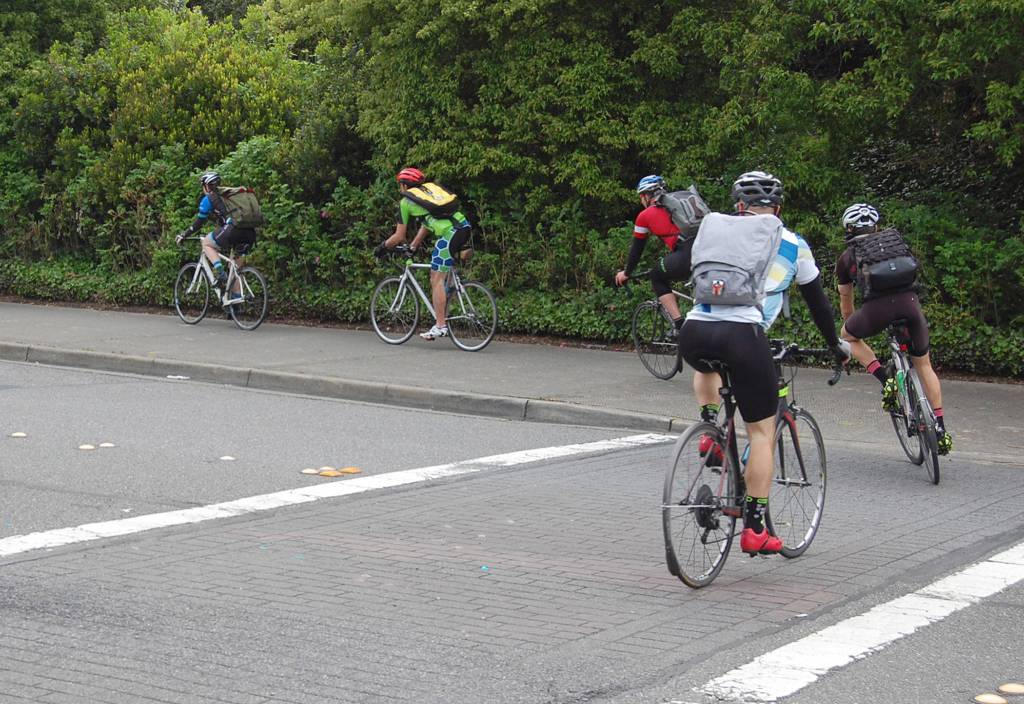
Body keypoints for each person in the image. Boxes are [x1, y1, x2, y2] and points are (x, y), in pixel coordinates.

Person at [678, 171, 849, 556]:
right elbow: (819, 305)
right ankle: (755, 528)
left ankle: (710, 429)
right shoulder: (792, 244)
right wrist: (835, 347)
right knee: (760, 432)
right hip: (743, 336)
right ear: (778, 209)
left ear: (739, 205)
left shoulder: (715, 230)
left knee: (708, 366)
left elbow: (677, 268)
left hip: (694, 332)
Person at [836, 203, 952, 454]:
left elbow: (846, 300)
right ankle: (940, 427)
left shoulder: (847, 258)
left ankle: (886, 378)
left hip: (876, 311)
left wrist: (850, 321)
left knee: (847, 336)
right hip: (910, 306)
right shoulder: (895, 244)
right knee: (924, 365)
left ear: (849, 229)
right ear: (876, 226)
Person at [374, 167, 472, 340]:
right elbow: (427, 224)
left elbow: (399, 235)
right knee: (445, 280)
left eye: (400, 185)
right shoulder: (428, 196)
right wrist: (413, 246)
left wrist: (382, 247)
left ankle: (440, 326)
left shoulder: (406, 202)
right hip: (463, 227)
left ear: (404, 186)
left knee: (436, 278)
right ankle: (446, 314)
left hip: (449, 235)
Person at [613, 175, 692, 340]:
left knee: (656, 275)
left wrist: (627, 273)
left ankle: (679, 326)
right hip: (710, 251)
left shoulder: (645, 216)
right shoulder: (682, 204)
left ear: (645, 196)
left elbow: (637, 249)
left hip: (686, 254)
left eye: (641, 197)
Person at [176, 171, 257, 302]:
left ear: (206, 186)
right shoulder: (229, 197)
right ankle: (234, 305)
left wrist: (184, 235)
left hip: (233, 230)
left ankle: (220, 273)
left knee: (207, 243)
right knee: (234, 270)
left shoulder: (209, 198)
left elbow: (199, 223)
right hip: (250, 233)